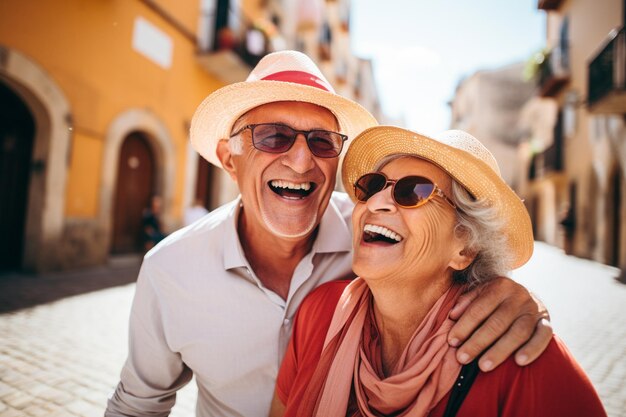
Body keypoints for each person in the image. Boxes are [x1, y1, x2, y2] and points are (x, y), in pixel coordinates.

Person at [105, 51, 552, 417]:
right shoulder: (170, 268)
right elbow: (137, 405)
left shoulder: (376, 242)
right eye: (274, 136)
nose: (301, 162)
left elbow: (449, 264)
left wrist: (506, 292)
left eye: (321, 141)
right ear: (229, 156)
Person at [271, 127, 606, 417]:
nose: (376, 203)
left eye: (413, 191)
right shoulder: (318, 314)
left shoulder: (524, 358)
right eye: (373, 186)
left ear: (465, 247)